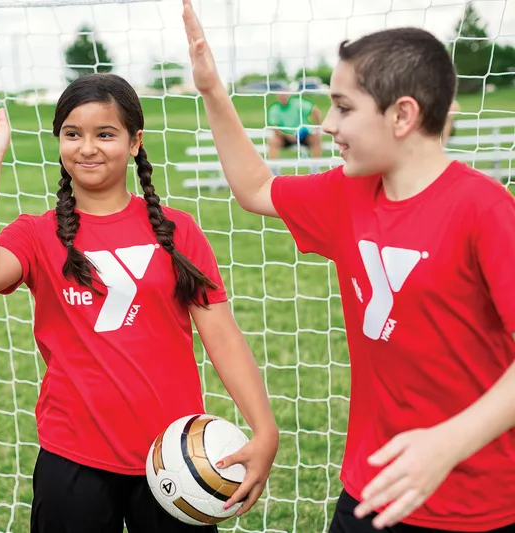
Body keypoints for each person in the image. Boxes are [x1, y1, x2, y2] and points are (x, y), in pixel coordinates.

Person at [182, 1, 515, 532]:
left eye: (343, 107)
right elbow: (255, 188)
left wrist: (449, 443)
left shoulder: (486, 210)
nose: (329, 124)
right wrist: (212, 91)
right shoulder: (347, 193)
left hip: (476, 507)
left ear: (402, 115)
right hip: (367, 492)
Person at [0, 75, 279, 532]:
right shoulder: (37, 234)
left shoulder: (178, 231)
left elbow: (221, 336)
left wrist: (265, 429)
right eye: (72, 134)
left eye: (105, 133)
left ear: (135, 141)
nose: (87, 147)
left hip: (175, 457)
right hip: (73, 455)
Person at [267, 91, 323, 158]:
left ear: (288, 95)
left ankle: (315, 166)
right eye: (281, 96)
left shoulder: (298, 103)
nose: (283, 98)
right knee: (273, 141)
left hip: (303, 135)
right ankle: (274, 167)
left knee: (316, 139)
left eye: (284, 95)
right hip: (285, 137)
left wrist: (317, 128)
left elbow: (315, 110)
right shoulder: (274, 109)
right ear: (277, 97)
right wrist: (287, 136)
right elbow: (275, 128)